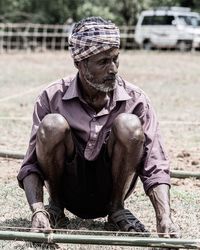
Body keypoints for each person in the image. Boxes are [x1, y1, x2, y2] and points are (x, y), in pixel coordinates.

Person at [17, 16, 180, 237]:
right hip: (66, 188)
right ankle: (55, 208)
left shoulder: (136, 100)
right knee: (52, 124)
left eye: (115, 59)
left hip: (112, 189)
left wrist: (164, 218)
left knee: (129, 124)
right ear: (80, 63)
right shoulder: (51, 97)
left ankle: (117, 210)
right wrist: (37, 211)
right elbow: (31, 165)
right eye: (103, 62)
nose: (113, 69)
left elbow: (155, 163)